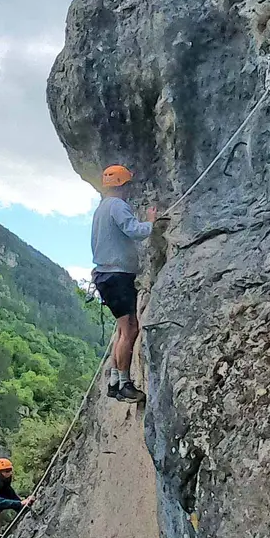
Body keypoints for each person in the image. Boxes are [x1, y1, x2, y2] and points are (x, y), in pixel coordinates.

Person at [90, 164, 155, 402]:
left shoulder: (101, 209)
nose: (130, 190)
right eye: (128, 184)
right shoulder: (117, 205)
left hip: (106, 276)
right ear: (122, 185)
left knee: (121, 329)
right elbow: (134, 230)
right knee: (130, 329)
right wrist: (151, 221)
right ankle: (125, 385)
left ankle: (115, 381)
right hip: (117, 276)